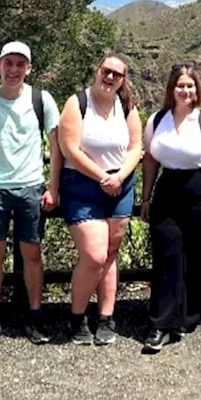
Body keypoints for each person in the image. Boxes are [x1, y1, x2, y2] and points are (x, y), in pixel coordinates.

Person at [0, 41, 61, 348]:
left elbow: (56, 146)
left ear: (29, 68)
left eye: (21, 64)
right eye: (9, 63)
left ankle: (35, 313)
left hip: (31, 185)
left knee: (31, 253)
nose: (14, 70)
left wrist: (53, 186)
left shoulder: (41, 100)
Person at [140, 63, 201, 353]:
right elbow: (150, 160)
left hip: (199, 188)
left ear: (197, 89)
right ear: (171, 89)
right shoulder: (157, 119)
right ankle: (160, 323)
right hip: (168, 187)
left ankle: (188, 315)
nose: (185, 91)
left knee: (195, 254)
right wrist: (146, 197)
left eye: (190, 86)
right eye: (180, 85)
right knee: (166, 253)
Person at [58, 54, 144, 346]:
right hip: (83, 184)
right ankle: (77, 315)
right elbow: (70, 148)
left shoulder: (127, 106)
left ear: (122, 80)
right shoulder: (77, 103)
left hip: (120, 183)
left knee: (109, 253)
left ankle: (106, 316)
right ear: (97, 70)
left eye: (117, 75)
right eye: (106, 71)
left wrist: (119, 176)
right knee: (94, 255)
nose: (110, 78)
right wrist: (102, 177)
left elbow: (136, 146)